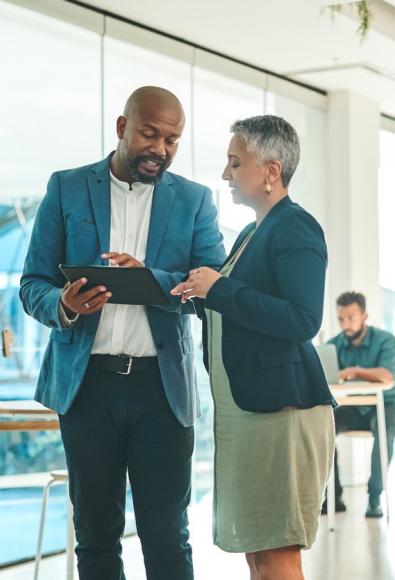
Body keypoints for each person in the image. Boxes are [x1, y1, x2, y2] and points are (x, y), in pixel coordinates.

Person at [20, 86, 226, 580]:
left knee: (167, 537)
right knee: (95, 535)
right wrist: (64, 306)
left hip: (163, 390)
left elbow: (214, 287)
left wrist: (149, 279)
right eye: (150, 134)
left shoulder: (195, 201)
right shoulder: (67, 188)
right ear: (122, 127)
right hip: (87, 387)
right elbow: (33, 284)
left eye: (173, 140)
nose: (161, 149)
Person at [172, 115, 335, 580]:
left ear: (271, 170)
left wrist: (218, 290)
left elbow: (303, 320)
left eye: (234, 162)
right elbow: (235, 309)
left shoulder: (296, 228)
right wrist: (174, 289)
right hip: (252, 411)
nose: (225, 174)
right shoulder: (250, 233)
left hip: (282, 413)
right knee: (258, 554)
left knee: (276, 552)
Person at [325, 292, 395, 518]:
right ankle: (333, 497)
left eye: (351, 318)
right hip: (355, 408)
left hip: (392, 407)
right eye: (341, 319)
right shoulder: (333, 345)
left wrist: (354, 371)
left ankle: (374, 498)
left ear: (364, 316)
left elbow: (388, 376)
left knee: (383, 425)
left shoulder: (386, 341)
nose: (346, 324)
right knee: (325, 424)